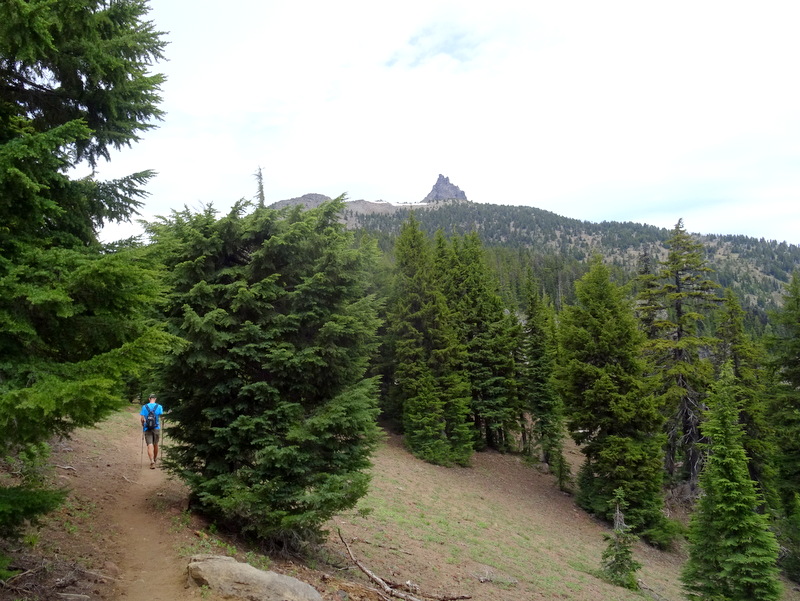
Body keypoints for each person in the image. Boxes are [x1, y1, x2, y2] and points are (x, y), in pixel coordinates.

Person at [140, 393, 164, 469]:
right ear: (155, 399)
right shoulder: (159, 406)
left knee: (149, 444)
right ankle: (155, 459)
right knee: (155, 444)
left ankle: (152, 461)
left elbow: (142, 419)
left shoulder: (144, 407)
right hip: (156, 427)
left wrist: (143, 424)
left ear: (149, 399)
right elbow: (162, 417)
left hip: (147, 428)